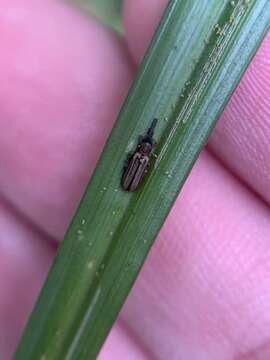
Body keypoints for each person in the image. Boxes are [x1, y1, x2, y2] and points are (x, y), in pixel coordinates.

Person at [1, 1, 269, 359]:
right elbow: (134, 171)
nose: (144, 148)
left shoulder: (139, 157)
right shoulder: (143, 157)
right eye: (145, 147)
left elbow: (133, 170)